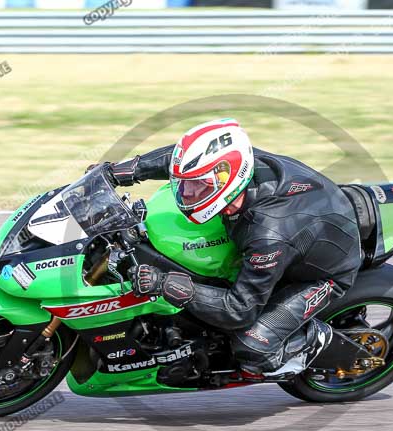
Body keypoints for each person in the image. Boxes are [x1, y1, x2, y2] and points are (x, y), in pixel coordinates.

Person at [108, 118, 363, 378]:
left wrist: (164, 283)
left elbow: (240, 310)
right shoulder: (236, 161)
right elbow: (177, 160)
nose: (186, 193)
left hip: (324, 274)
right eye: (186, 183)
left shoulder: (267, 236)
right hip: (310, 223)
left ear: (226, 181)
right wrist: (121, 172)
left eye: (198, 185)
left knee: (252, 347)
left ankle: (314, 342)